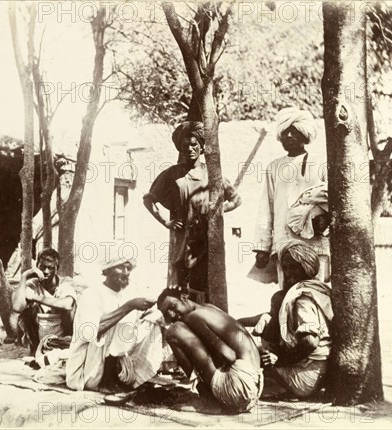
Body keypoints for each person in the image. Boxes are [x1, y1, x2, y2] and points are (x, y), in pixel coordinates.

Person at [143, 121, 242, 300]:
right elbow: (148, 200)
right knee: (180, 284)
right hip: (181, 238)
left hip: (207, 238)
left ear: (202, 147)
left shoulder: (211, 174)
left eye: (194, 145)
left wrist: (217, 211)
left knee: (204, 282)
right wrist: (166, 222)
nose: (189, 149)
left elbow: (236, 199)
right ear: (180, 148)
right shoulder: (172, 173)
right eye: (185, 145)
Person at [253, 107, 330, 289]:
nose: (288, 136)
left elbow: (332, 199)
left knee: (315, 290)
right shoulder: (274, 167)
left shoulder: (320, 163)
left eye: (294, 131)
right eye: (285, 132)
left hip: (314, 242)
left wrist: (324, 220)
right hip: (285, 243)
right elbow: (267, 207)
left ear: (304, 135)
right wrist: (262, 247)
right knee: (287, 293)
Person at [65, 257, 164, 393]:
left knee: (153, 319)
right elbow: (92, 331)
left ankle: (137, 376)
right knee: (119, 323)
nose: (125, 272)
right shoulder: (92, 294)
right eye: (120, 267)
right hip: (87, 369)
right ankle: (107, 380)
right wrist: (129, 306)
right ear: (106, 271)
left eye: (128, 268)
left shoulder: (127, 293)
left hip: (114, 361)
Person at [157, 288, 263, 412]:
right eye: (166, 313)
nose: (172, 314)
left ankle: (208, 401)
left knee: (174, 331)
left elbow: (228, 356)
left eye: (173, 306)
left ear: (184, 297)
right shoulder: (208, 307)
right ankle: (218, 398)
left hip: (239, 387)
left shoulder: (193, 317)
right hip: (256, 385)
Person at [258, 240, 333, 399]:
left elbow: (310, 341)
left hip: (306, 377)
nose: (288, 273)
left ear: (306, 268)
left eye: (294, 268)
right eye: (285, 268)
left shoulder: (302, 299)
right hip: (318, 373)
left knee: (249, 362)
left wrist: (280, 361)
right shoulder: (317, 289)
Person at [12, 248, 77, 355]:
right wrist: (24, 276)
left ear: (57, 268)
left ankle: (66, 345)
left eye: (50, 268)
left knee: (72, 309)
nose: (46, 271)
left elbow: (67, 305)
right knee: (25, 312)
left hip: (62, 330)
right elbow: (17, 308)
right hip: (40, 330)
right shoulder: (33, 284)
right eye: (42, 267)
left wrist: (35, 297)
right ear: (37, 267)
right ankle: (35, 348)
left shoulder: (65, 282)